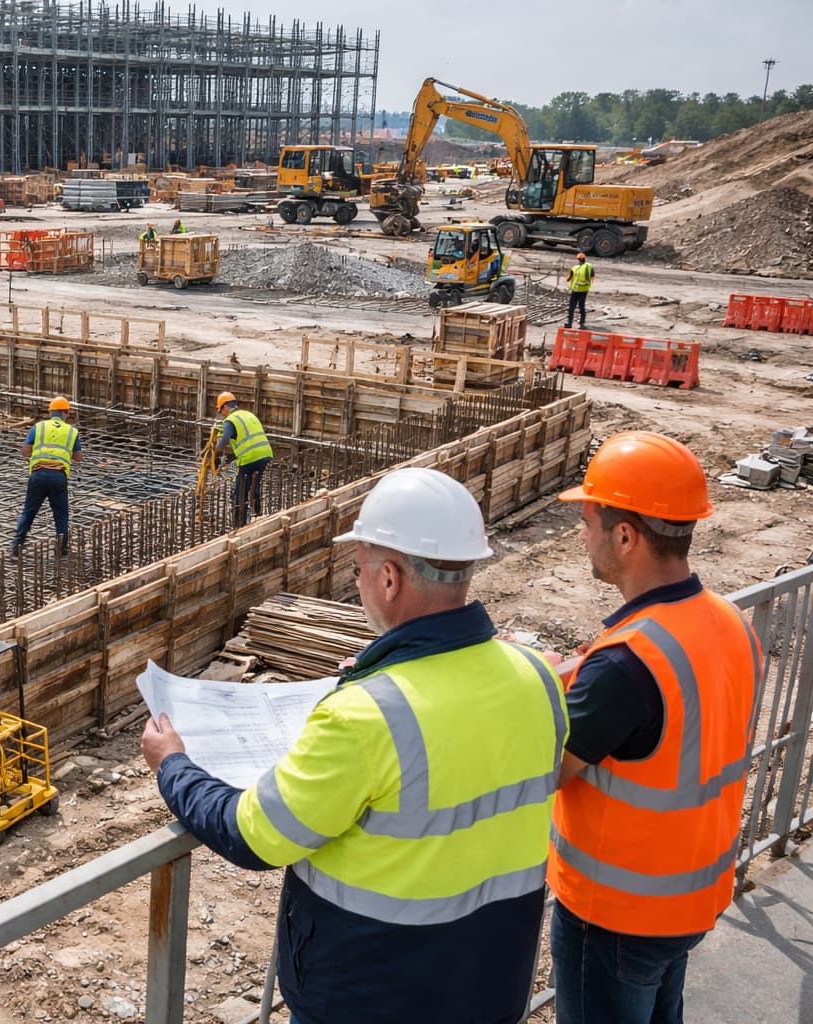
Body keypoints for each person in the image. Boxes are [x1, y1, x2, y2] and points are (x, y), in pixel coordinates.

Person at [142, 467, 567, 1024]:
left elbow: (254, 836)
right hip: (490, 987)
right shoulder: (537, 675)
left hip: (371, 998)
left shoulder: (365, 717)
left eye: (359, 567)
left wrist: (174, 765)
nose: (358, 581)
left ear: (389, 578)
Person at [548, 431, 761, 1024]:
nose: (581, 535)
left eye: (588, 520)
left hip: (616, 918)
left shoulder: (626, 662)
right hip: (691, 900)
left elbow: (545, 769)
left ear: (625, 535)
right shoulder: (729, 622)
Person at [10, 396, 81, 559]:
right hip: (58, 476)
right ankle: (62, 551)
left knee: (28, 512)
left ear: (50, 412)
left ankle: (16, 548)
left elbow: (25, 452)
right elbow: (78, 457)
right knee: (61, 515)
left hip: (38, 474)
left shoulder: (38, 427)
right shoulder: (72, 431)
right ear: (66, 414)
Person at [214, 392, 272, 528]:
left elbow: (223, 442)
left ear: (225, 407)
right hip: (265, 454)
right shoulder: (249, 415)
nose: (222, 414)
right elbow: (248, 438)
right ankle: (258, 514)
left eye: (221, 411)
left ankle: (239, 524)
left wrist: (215, 455)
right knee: (255, 484)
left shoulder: (230, 420)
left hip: (249, 458)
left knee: (240, 492)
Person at [564, 252, 594, 329]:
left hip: (575, 290)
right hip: (584, 290)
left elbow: (568, 279)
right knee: (581, 307)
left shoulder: (574, 268)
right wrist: (588, 284)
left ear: (578, 260)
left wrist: (567, 276)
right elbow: (592, 276)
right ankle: (582, 324)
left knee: (571, 307)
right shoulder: (590, 266)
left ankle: (569, 323)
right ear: (584, 259)